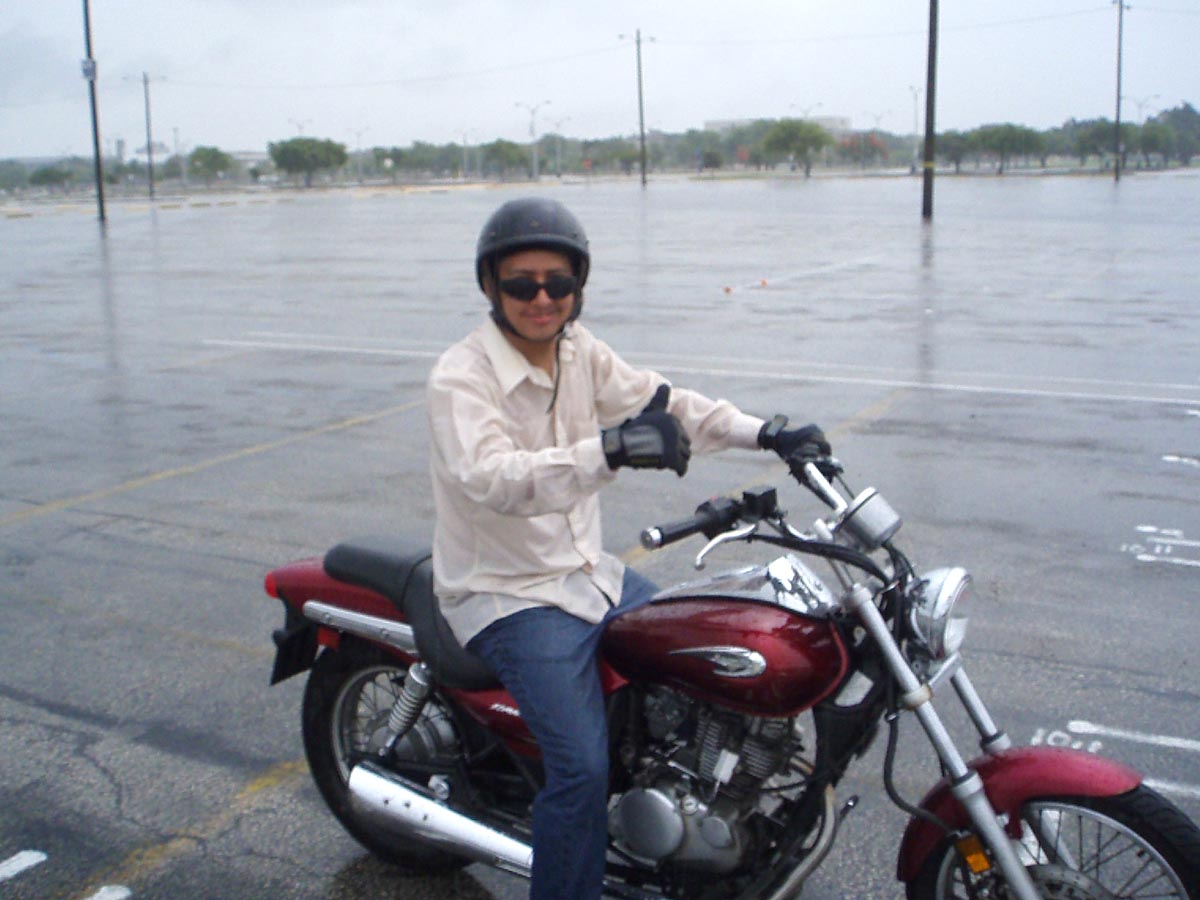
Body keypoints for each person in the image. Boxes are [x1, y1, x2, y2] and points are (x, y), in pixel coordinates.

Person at [426, 196, 829, 900]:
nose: (542, 298)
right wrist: (610, 449)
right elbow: (493, 479)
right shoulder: (461, 377)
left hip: (590, 575)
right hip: (508, 594)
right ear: (490, 285)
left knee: (701, 662)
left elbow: (665, 404)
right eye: (521, 283)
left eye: (558, 281)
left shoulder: (579, 351)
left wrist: (767, 434)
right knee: (580, 771)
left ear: (578, 285)